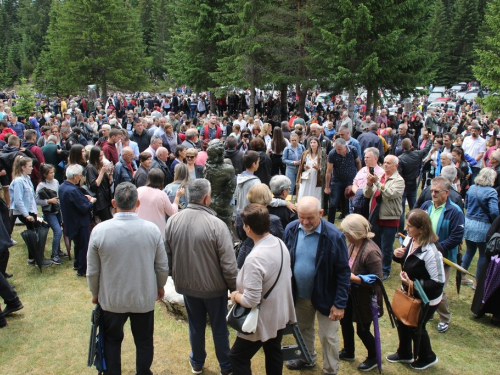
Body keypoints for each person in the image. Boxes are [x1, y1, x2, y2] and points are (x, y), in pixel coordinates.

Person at [87, 182, 169, 375]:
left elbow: (93, 271)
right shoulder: (151, 230)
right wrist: (160, 285)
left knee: (112, 340)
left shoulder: (100, 230)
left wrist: (95, 293)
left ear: (114, 203)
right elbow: (162, 265)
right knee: (144, 341)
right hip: (143, 296)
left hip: (112, 299)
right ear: (137, 203)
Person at [164, 179, 237, 375]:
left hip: (187, 285)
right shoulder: (217, 225)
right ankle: (225, 366)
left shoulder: (173, 220)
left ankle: (197, 362)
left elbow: (167, 255)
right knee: (219, 327)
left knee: (195, 326)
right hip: (214, 289)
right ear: (207, 198)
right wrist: (234, 287)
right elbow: (229, 264)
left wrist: (175, 275)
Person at [283, 196, 350, 374]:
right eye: (301, 217)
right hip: (300, 295)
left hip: (327, 297)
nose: (305, 222)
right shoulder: (291, 229)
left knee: (328, 336)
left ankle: (330, 370)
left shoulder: (334, 236)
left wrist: (340, 303)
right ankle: (306, 358)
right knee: (303, 329)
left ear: (321, 213)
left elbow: (344, 272)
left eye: (310, 218)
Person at [228, 204, 296, 374]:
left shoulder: (255, 259)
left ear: (248, 228)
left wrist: (235, 295)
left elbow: (251, 300)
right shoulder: (279, 243)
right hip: (279, 313)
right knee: (273, 351)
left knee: (237, 357)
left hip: (261, 319)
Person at [389, 209, 445, 370]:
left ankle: (427, 357)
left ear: (422, 228)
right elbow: (406, 260)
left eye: (410, 226)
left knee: (416, 326)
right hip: (409, 294)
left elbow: (438, 283)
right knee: (402, 321)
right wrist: (396, 254)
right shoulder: (410, 240)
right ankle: (405, 353)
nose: (406, 229)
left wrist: (413, 283)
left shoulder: (432, 252)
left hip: (425, 298)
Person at [419, 177, 464, 333]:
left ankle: (444, 318)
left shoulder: (455, 212)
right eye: (431, 191)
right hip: (424, 255)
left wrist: (437, 248)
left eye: (436, 191)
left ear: (447, 192)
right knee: (423, 285)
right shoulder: (426, 206)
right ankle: (428, 311)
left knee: (439, 289)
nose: (433, 194)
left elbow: (456, 237)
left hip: (443, 257)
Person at [339, 214, 383, 372]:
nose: (345, 235)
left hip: (365, 300)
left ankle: (373, 357)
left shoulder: (371, 252)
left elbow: (378, 281)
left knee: (363, 330)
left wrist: (356, 279)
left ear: (355, 232)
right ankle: (348, 351)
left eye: (346, 232)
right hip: (350, 295)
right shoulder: (352, 244)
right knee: (345, 321)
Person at [363, 155, 405, 280]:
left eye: (389, 163)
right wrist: (369, 184)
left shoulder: (399, 180)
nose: (385, 165)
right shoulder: (380, 177)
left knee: (386, 246)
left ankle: (385, 269)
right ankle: (375, 266)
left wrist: (376, 182)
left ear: (396, 166)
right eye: (384, 163)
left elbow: (390, 194)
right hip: (376, 216)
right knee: (375, 244)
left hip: (389, 218)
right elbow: (367, 194)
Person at [9, 156, 53, 267]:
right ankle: (37, 259)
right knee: (35, 234)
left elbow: (32, 197)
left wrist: (35, 212)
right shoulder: (18, 181)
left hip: (31, 211)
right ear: (23, 167)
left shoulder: (27, 178)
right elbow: (18, 200)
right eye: (30, 166)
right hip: (25, 212)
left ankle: (33, 258)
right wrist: (26, 215)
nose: (32, 168)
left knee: (34, 233)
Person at [461, 168, 499, 286]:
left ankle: (461, 276)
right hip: (483, 226)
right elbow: (494, 212)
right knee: (482, 254)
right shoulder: (491, 192)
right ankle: (478, 282)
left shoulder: (472, 188)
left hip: (469, 223)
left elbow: (466, 205)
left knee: (469, 251)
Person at [59, 164, 96, 277]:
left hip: (70, 221)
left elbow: (76, 203)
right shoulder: (73, 191)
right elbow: (84, 208)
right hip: (80, 222)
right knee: (84, 246)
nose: (81, 177)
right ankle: (82, 270)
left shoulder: (62, 187)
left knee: (77, 244)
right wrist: (92, 201)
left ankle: (77, 264)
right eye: (80, 175)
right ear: (75, 176)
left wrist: (85, 199)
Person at [236, 184, 284, 268]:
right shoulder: (273, 220)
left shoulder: (241, 214)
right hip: (267, 256)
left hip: (245, 252)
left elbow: (240, 235)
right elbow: (280, 240)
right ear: (267, 197)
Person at [397, 137, 433, 233]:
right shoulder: (417, 154)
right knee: (414, 207)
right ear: (411, 145)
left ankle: (400, 231)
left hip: (404, 185)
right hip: (413, 184)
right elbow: (426, 149)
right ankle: (415, 227)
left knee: (401, 210)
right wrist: (430, 140)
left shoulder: (400, 159)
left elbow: (399, 174)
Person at [35, 164, 67, 265]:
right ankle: (54, 255)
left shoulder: (56, 182)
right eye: (50, 173)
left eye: (53, 172)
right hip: (49, 212)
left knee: (59, 230)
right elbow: (36, 200)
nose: (53, 174)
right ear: (45, 175)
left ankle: (58, 251)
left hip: (57, 210)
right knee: (57, 232)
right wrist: (48, 201)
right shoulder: (41, 185)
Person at [136, 168, 182, 239]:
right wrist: (177, 197)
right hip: (157, 233)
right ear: (162, 180)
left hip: (139, 230)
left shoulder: (138, 191)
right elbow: (173, 212)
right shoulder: (161, 195)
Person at [324, 138, 361, 222]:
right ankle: (330, 223)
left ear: (345, 147)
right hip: (337, 180)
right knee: (333, 203)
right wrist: (327, 186)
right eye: (336, 149)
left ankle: (349, 222)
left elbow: (358, 162)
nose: (338, 151)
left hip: (351, 180)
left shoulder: (353, 150)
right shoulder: (332, 153)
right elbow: (329, 171)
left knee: (349, 203)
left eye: (339, 149)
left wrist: (359, 177)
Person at [86, 146, 114, 222]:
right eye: (100, 156)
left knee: (109, 219)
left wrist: (110, 173)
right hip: (100, 200)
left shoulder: (101, 165)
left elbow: (108, 181)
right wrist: (101, 172)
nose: (102, 157)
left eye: (102, 155)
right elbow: (95, 185)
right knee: (106, 221)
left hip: (106, 197)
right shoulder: (90, 168)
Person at [296, 137, 325, 204]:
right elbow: (301, 166)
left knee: (315, 191)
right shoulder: (305, 153)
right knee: (303, 190)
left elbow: (324, 168)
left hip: (316, 177)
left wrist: (318, 168)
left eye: (314, 142)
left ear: (318, 144)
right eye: (311, 142)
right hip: (306, 176)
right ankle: (302, 205)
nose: (312, 144)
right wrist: (304, 168)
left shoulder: (321, 154)